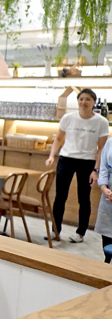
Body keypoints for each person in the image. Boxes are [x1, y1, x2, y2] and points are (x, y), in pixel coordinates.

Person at [46, 88, 109, 243]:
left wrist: (96, 169)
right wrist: (52, 156)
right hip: (66, 158)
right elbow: (59, 139)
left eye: (88, 99)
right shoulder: (68, 118)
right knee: (60, 196)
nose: (83, 102)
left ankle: (80, 233)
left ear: (94, 102)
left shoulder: (101, 122)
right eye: (81, 99)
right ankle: (55, 231)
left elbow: (102, 148)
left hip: (87, 162)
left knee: (84, 198)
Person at [96, 139, 112, 262]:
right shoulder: (110, 142)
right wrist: (104, 187)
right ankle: (106, 262)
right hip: (108, 193)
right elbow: (104, 168)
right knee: (107, 231)